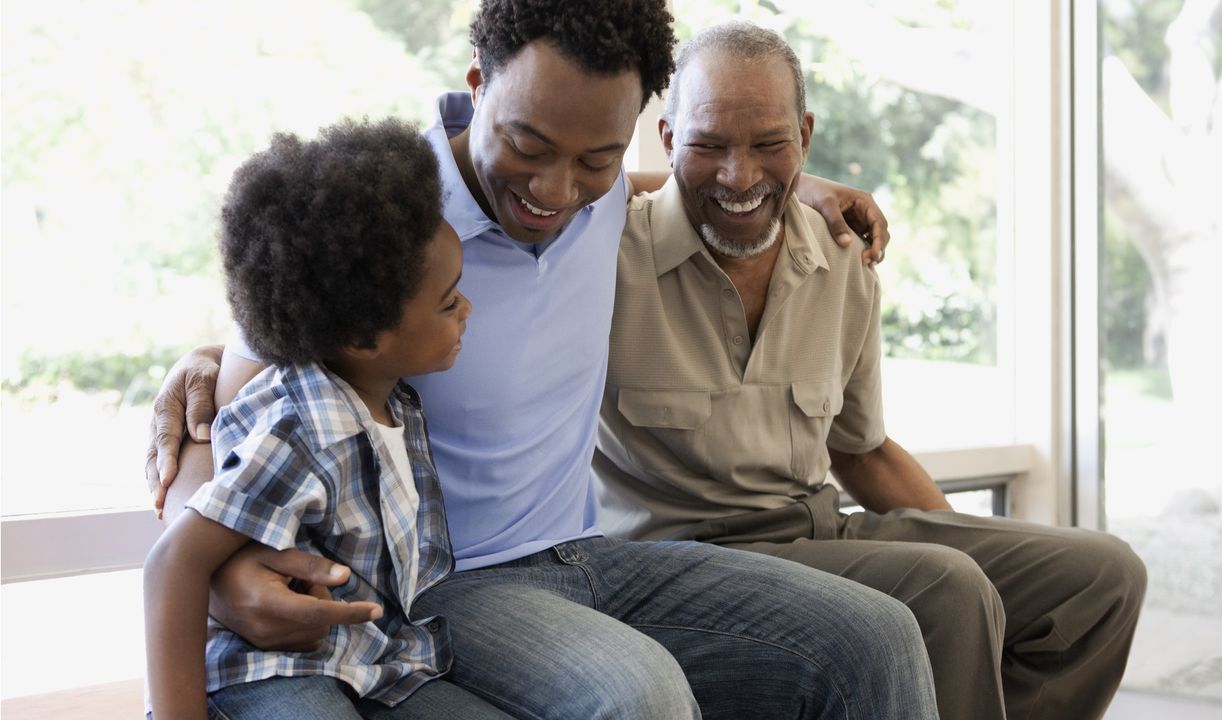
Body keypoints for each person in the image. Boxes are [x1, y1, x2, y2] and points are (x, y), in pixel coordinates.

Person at [143, 2, 940, 719]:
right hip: (448, 584)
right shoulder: (383, 221)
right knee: (635, 694)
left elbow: (677, 181)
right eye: (528, 144)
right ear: (478, 84)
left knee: (876, 635)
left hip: (593, 554)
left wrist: (799, 182)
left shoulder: (601, 200)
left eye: (596, 159)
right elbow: (233, 426)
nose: (555, 192)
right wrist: (219, 577)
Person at [593, 21, 1148, 720]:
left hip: (818, 534)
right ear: (669, 140)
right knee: (946, 590)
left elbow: (862, 452)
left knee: (1101, 576)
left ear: (807, 134)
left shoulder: (841, 261)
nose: (739, 176)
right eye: (708, 146)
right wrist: (796, 181)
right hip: (675, 563)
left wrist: (971, 553)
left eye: (770, 144)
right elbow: (532, 179)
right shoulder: (607, 253)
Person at [144, 118, 508, 719]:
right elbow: (172, 562)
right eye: (449, 301)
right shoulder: (301, 429)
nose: (467, 309)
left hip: (372, 662)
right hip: (270, 673)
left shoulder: (398, 400)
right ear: (365, 337)